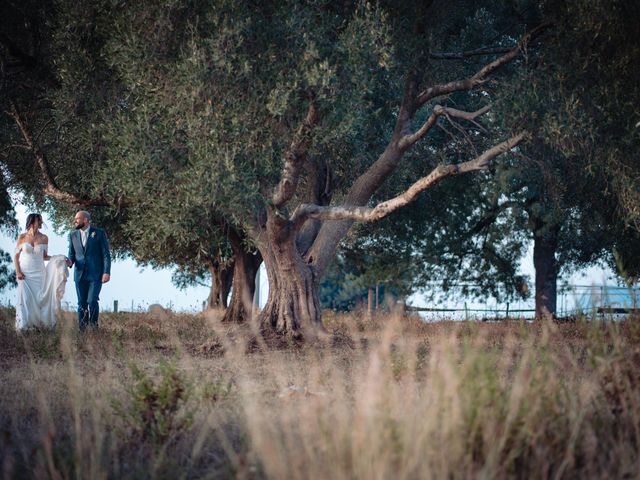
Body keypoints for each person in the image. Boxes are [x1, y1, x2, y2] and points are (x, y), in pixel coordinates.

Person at [14, 213, 69, 330]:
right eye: (39, 221)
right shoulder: (22, 237)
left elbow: (44, 256)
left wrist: (59, 258)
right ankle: (23, 326)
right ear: (32, 222)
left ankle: (39, 325)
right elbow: (16, 256)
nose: (41, 223)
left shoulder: (44, 238)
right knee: (25, 299)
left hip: (39, 273)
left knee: (39, 299)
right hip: (25, 274)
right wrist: (18, 272)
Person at [66, 210, 111, 331]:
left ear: (85, 220)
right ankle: (82, 330)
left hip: (96, 274)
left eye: (77, 219)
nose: (75, 221)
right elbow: (72, 254)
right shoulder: (72, 235)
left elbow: (106, 255)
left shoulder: (99, 233)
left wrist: (106, 272)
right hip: (79, 275)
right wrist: (68, 262)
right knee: (81, 303)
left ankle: (94, 328)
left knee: (92, 300)